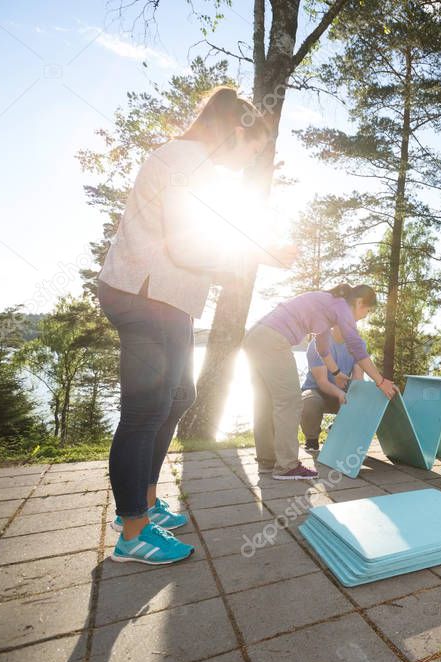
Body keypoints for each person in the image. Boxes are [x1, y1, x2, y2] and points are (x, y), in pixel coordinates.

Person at [98, 86, 296, 565]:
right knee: (145, 409)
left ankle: (143, 500)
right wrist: (254, 259)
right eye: (252, 148)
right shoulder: (190, 162)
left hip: (169, 299)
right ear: (235, 131)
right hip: (146, 295)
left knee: (178, 398)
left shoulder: (195, 164)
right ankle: (132, 532)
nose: (251, 160)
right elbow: (186, 246)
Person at [243, 284, 398, 479]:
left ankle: (267, 461)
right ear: (359, 302)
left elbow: (322, 346)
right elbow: (357, 347)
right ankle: (287, 466)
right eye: (366, 310)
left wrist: (336, 371)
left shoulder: (328, 306)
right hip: (274, 339)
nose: (364, 316)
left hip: (256, 336)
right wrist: (381, 381)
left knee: (265, 402)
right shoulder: (342, 307)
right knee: (290, 401)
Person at [300, 324, 365, 452]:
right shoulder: (318, 342)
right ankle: (311, 440)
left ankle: (337, 430)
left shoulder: (358, 344)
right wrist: (340, 394)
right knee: (310, 401)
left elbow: (358, 376)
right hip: (317, 390)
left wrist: (355, 398)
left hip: (343, 389)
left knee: (359, 398)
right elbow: (322, 381)